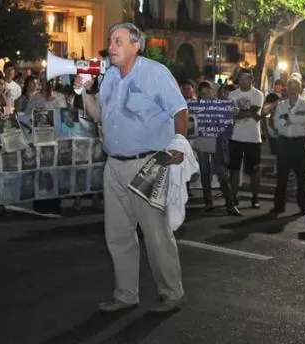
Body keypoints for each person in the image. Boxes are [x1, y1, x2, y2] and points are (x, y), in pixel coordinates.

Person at [75, 22, 187, 314]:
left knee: (155, 233)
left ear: (136, 45)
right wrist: (85, 93)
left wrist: (179, 142)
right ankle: (126, 294)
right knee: (118, 233)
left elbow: (180, 110)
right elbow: (99, 114)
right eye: (111, 41)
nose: (111, 46)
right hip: (114, 163)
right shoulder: (110, 77)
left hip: (148, 162)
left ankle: (171, 292)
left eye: (118, 41)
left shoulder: (155, 73)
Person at [270, 78, 305, 215]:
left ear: (300, 89)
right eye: (289, 87)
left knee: (302, 177)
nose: (292, 90)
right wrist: (293, 118)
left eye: (295, 87)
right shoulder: (281, 105)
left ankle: (303, 205)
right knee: (282, 176)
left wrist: (287, 118)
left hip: (300, 143)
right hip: (283, 142)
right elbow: (277, 124)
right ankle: (279, 205)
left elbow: (303, 120)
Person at [226, 69, 267, 215]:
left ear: (252, 80)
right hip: (235, 136)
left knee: (254, 170)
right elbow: (231, 114)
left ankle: (255, 196)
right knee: (234, 169)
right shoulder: (232, 94)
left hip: (253, 138)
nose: (243, 82)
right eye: (241, 79)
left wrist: (239, 113)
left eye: (246, 79)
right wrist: (246, 112)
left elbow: (256, 114)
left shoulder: (258, 94)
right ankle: (234, 195)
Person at [192, 81, 233, 213]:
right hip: (203, 140)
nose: (206, 95)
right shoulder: (197, 106)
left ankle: (230, 203)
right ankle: (208, 202)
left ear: (213, 92)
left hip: (217, 142)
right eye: (203, 93)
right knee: (205, 172)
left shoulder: (220, 105)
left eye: (208, 92)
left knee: (222, 173)